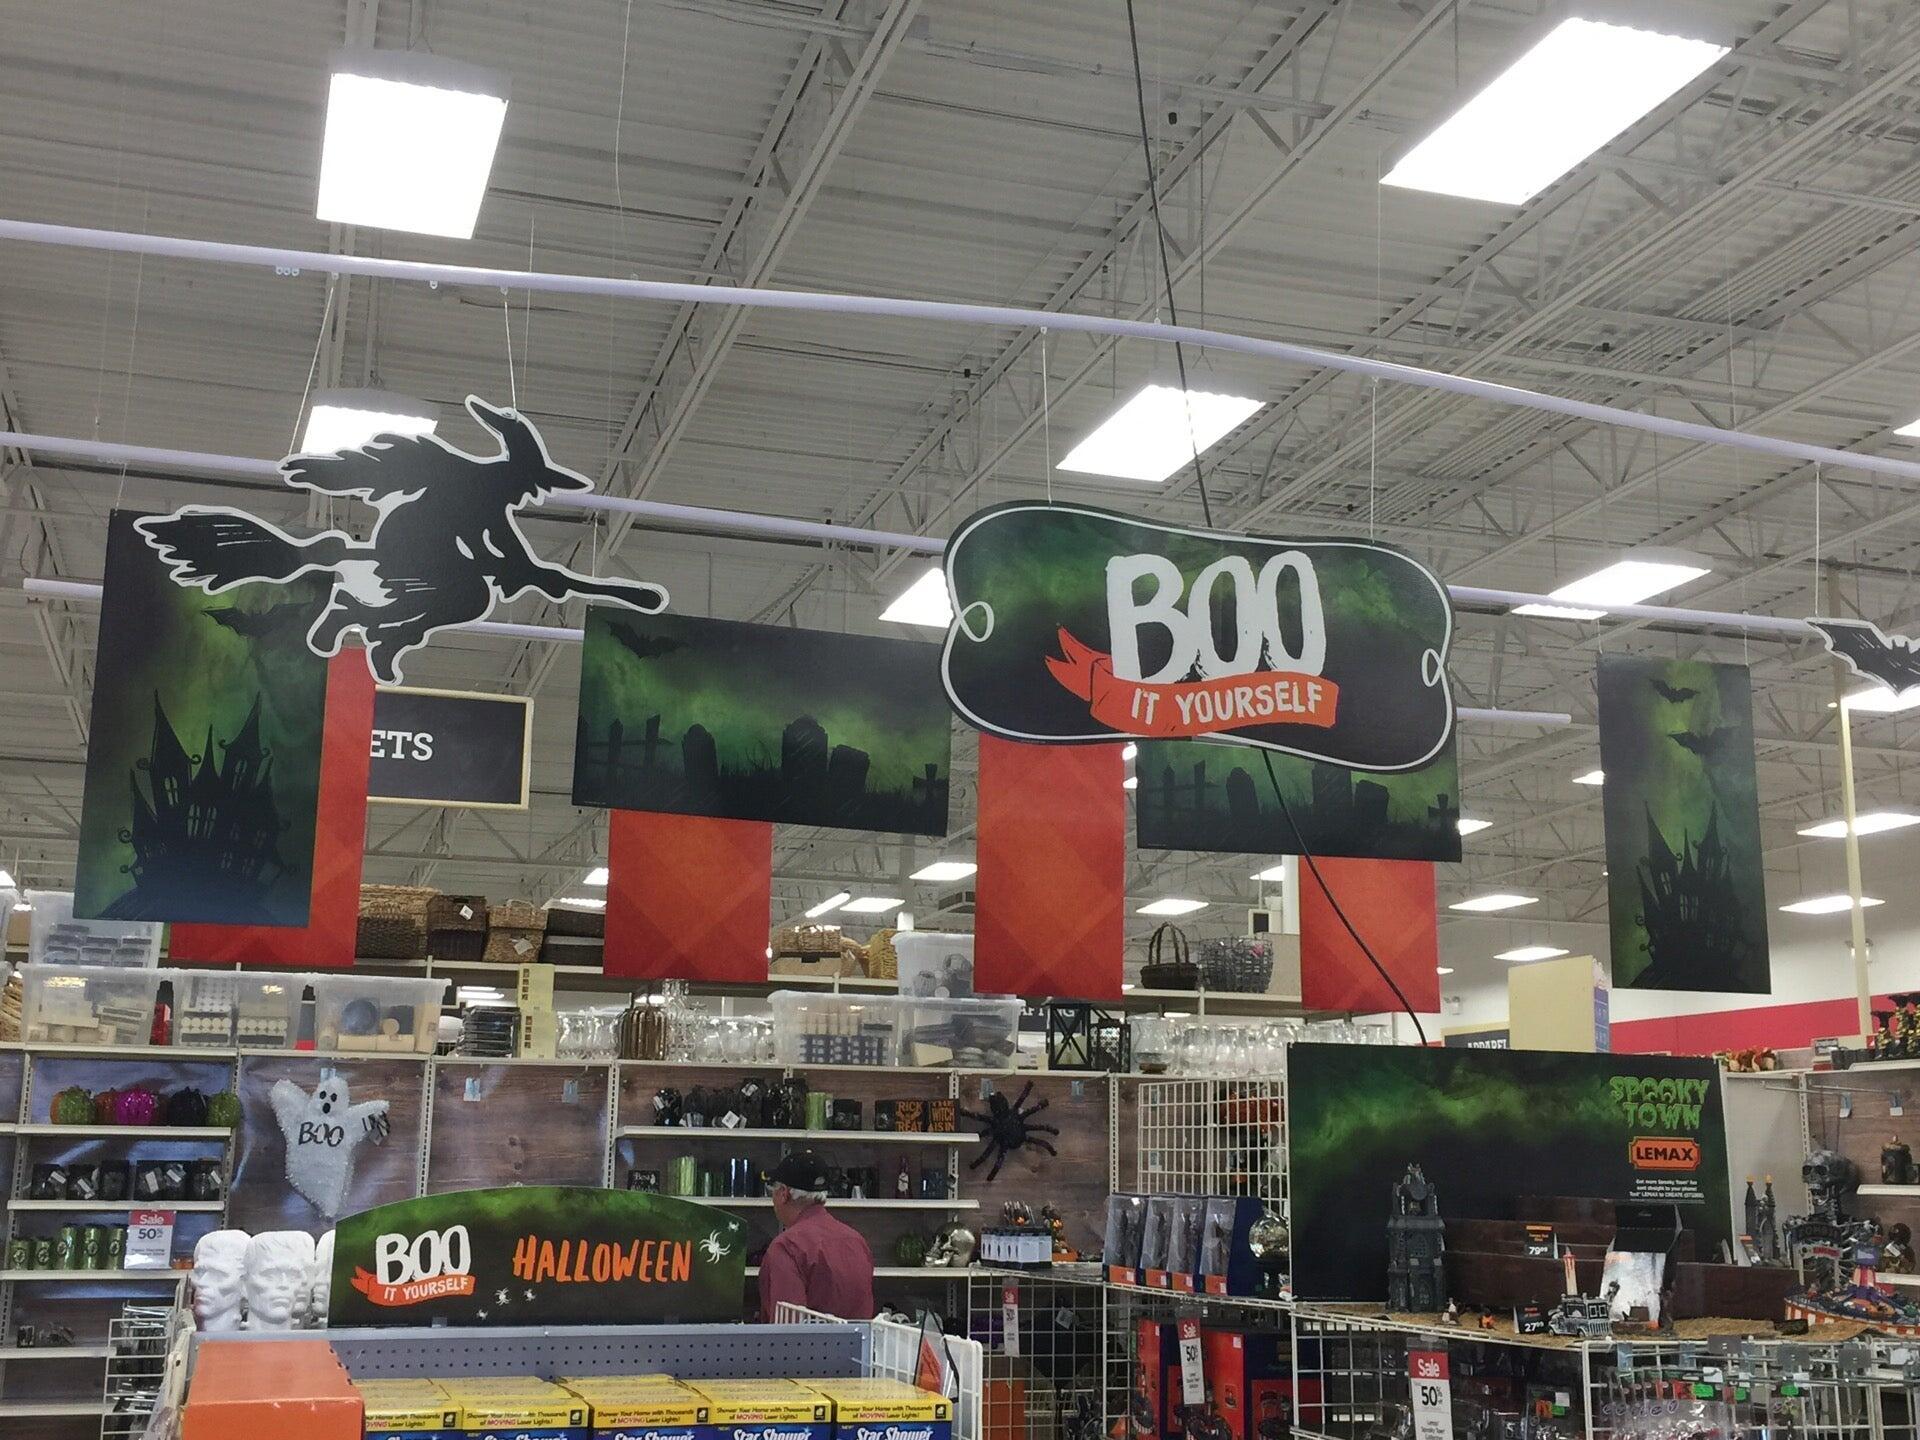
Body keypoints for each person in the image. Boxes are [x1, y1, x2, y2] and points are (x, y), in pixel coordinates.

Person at [757, 1150, 875, 1321]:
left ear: (783, 1193)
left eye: (772, 1190)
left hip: (811, 1340)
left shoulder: (786, 1247)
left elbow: (788, 1326)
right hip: (857, 1339)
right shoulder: (856, 1241)